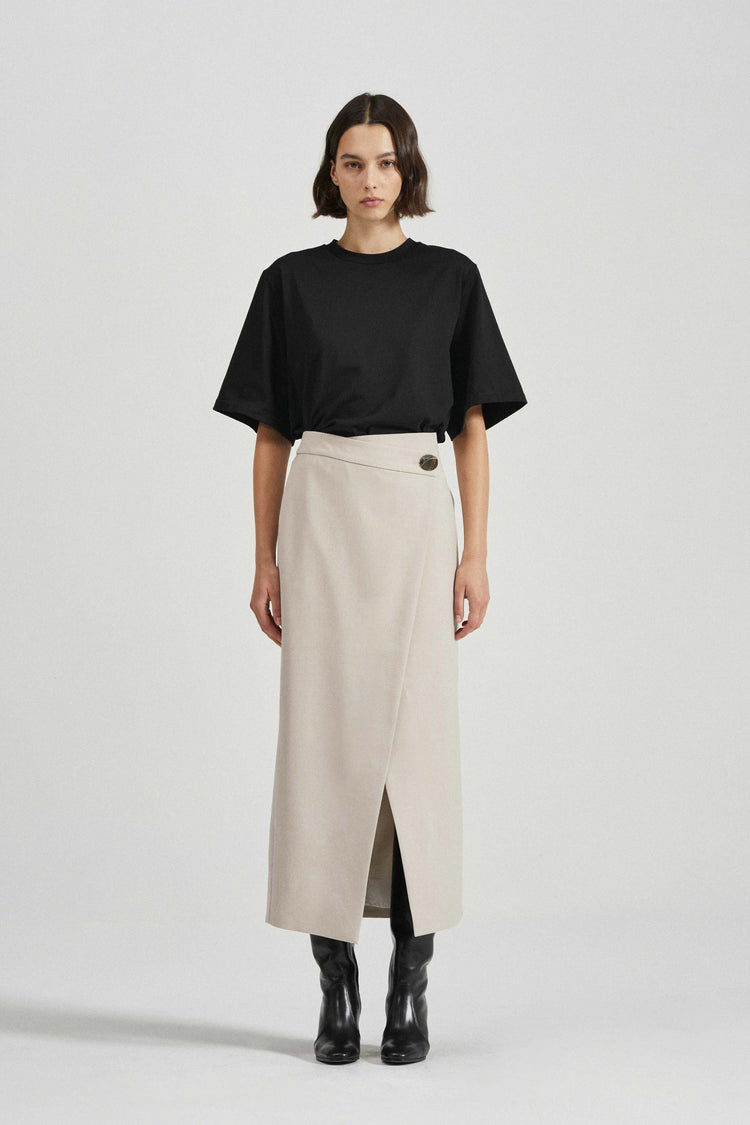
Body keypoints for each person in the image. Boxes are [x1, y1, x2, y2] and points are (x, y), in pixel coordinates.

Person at [212, 92, 528, 1065]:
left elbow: (471, 425)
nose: (369, 178)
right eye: (351, 162)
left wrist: (475, 553)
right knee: (323, 744)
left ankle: (410, 983)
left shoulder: (451, 278)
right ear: (331, 173)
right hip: (323, 517)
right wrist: (263, 556)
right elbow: (272, 430)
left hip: (417, 517)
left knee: (417, 750)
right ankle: (336, 986)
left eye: (385, 161)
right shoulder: (290, 283)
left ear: (408, 170)